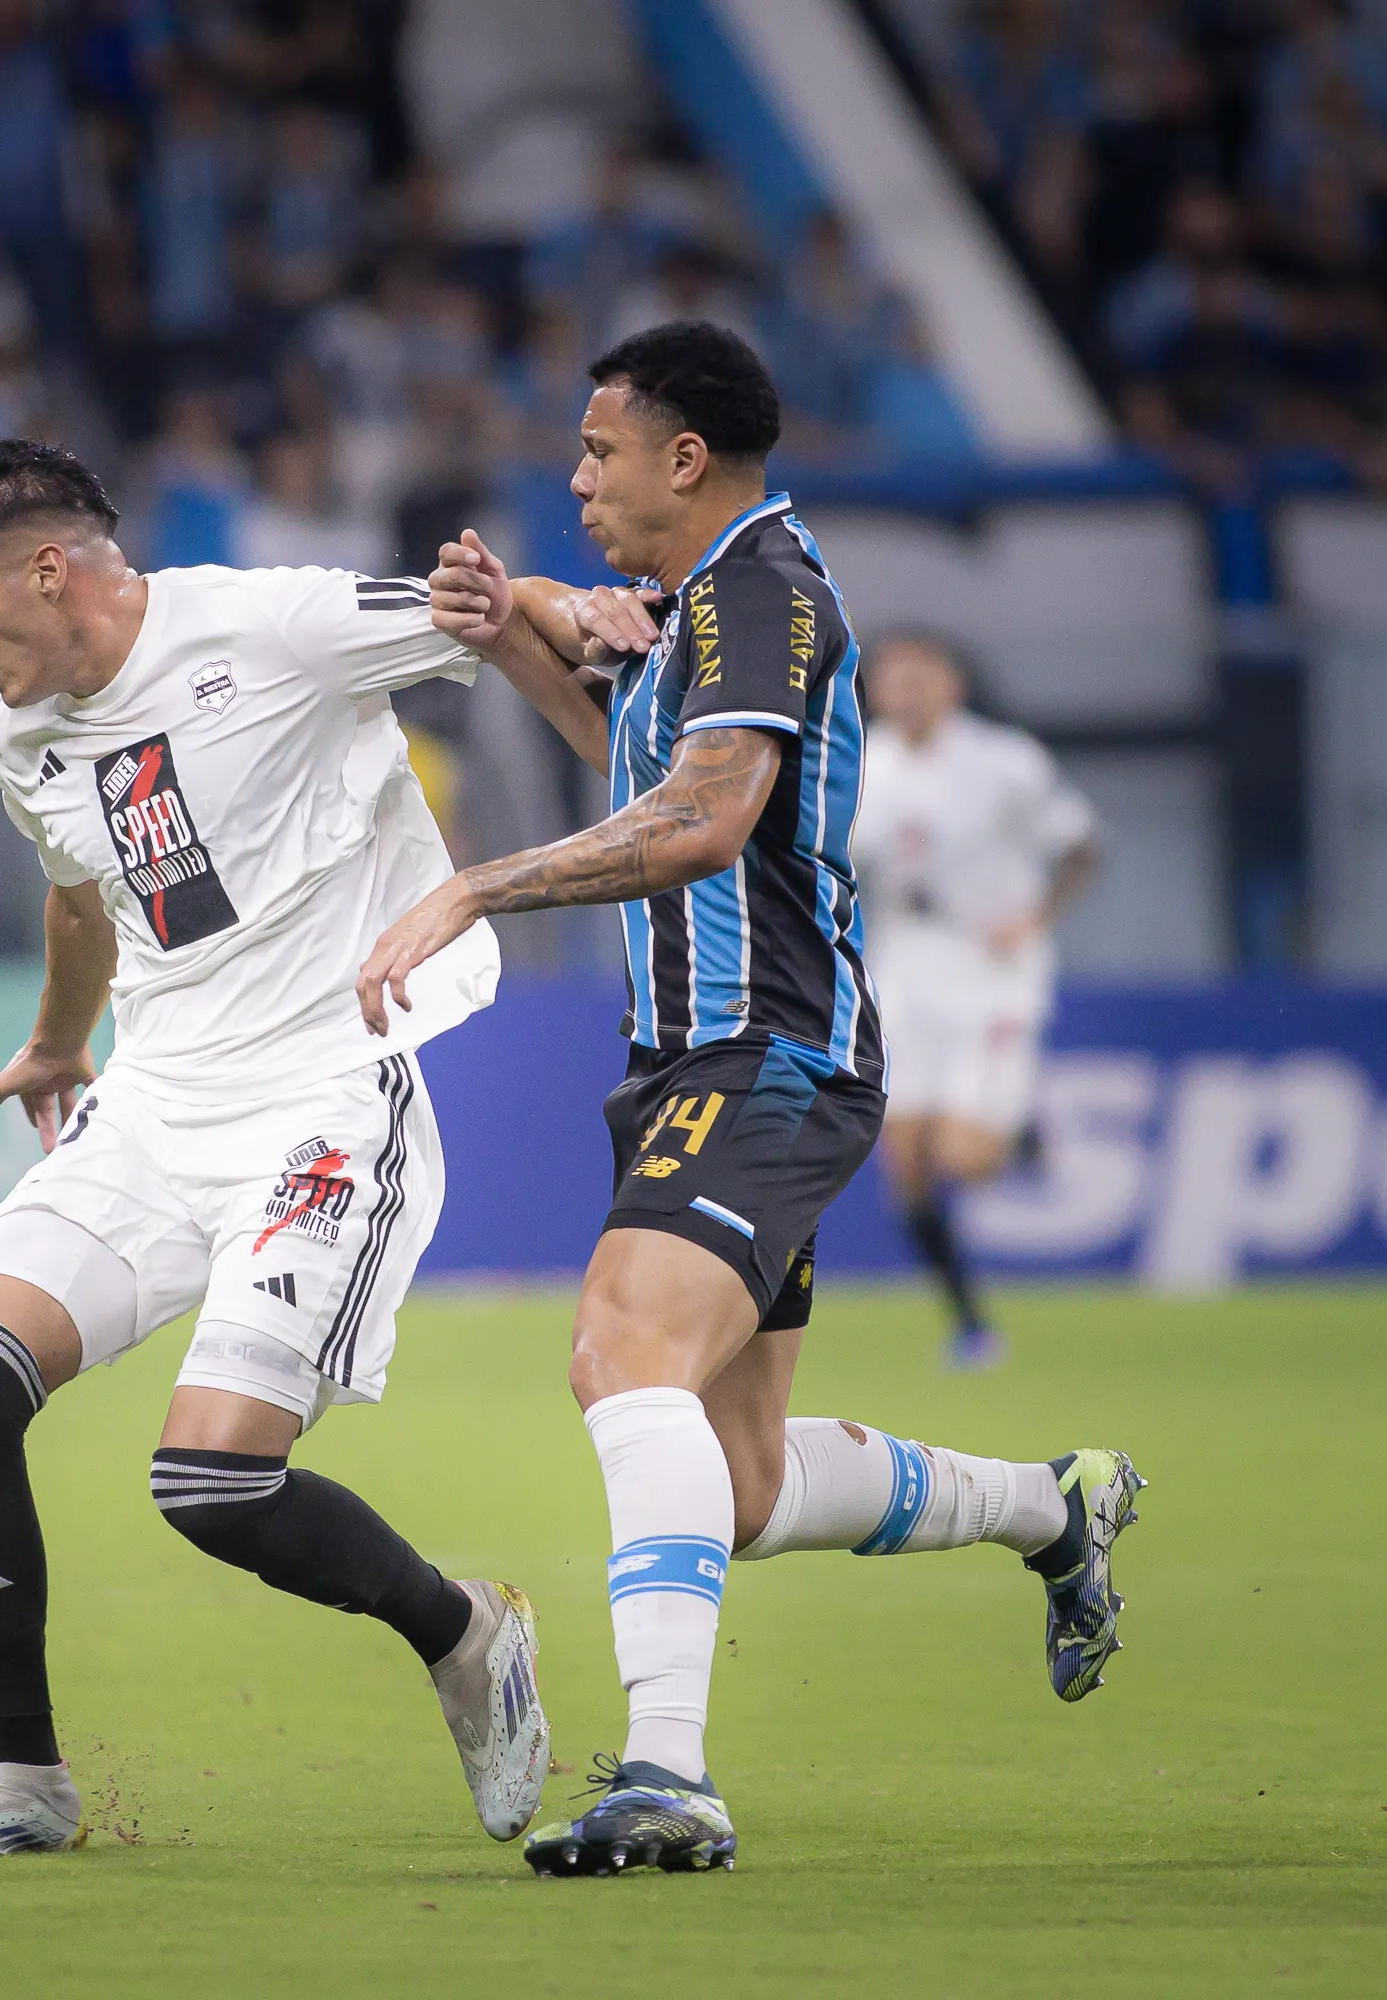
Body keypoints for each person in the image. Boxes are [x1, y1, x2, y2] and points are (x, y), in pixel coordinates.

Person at [363, 321, 1144, 1877]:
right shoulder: (698, 612)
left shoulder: (765, 594)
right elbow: (636, 765)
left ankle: (669, 1775)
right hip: (693, 1064)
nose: (574, 477)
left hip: (770, 1056)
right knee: (743, 1480)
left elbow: (710, 822)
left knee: (620, 1351)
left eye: (595, 451)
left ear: (683, 458)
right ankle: (1053, 1511)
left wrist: (478, 890)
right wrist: (509, 625)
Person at [0, 438, 552, 1861]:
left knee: (210, 1487)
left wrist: (584, 612)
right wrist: (65, 1041)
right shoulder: (23, 733)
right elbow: (81, 897)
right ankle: (29, 1786)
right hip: (153, 1103)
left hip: (323, 1095)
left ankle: (464, 1632)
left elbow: (476, 611)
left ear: (49, 572)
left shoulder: (264, 625)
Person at [853, 631, 1100, 1368]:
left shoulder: (1003, 761)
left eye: (919, 673)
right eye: (891, 676)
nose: (904, 687)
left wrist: (1036, 918)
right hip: (908, 964)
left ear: (953, 684)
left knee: (963, 1155)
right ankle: (969, 1323)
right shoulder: (861, 761)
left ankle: (1020, 1134)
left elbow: (1083, 846)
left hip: (992, 967)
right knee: (906, 1164)